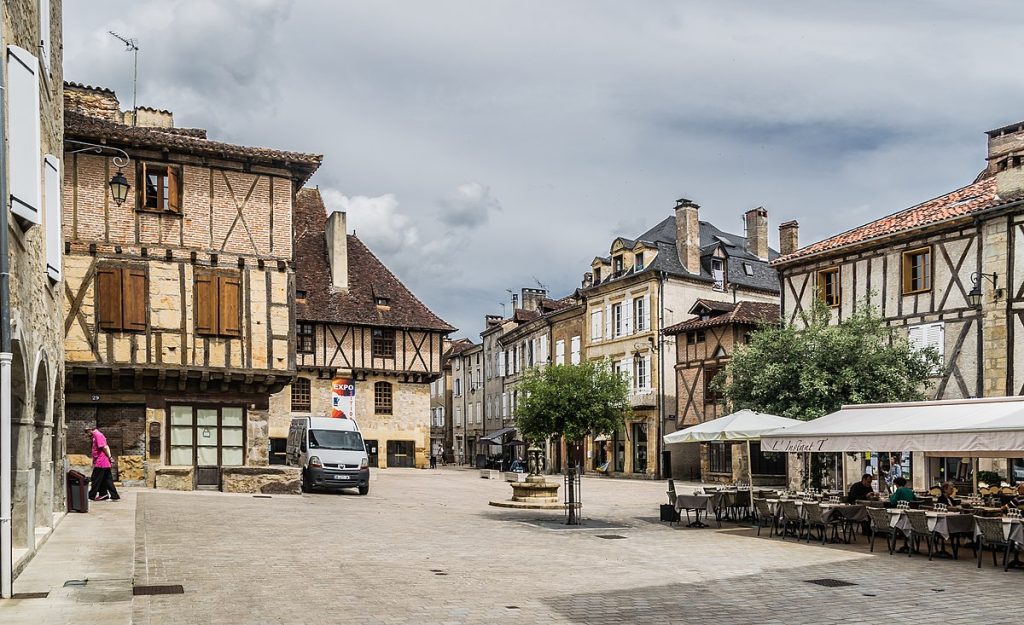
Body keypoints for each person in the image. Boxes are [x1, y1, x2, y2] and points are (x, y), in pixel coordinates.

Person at [86, 425, 119, 501]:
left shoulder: (98, 435)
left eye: (86, 431)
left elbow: (105, 447)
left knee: (95, 478)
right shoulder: (95, 435)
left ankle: (91, 496)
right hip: (102, 461)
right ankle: (106, 494)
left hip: (101, 461)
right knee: (107, 479)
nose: (86, 434)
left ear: (90, 430)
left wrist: (110, 457)